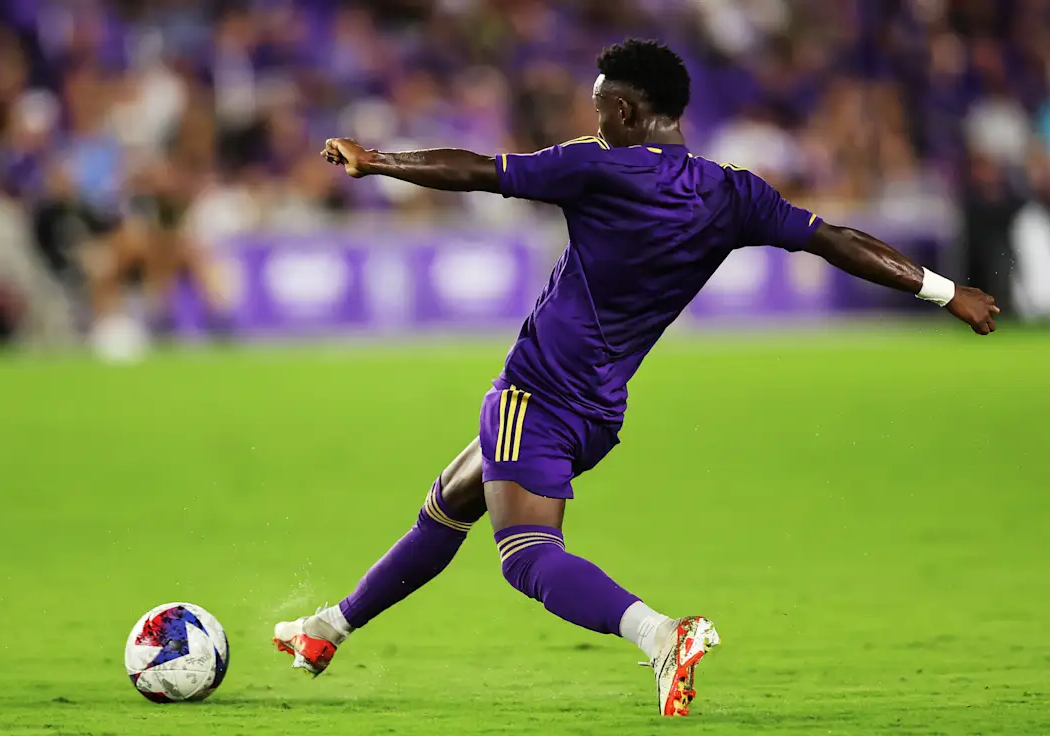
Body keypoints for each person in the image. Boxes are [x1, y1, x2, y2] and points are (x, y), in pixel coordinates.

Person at [272, 39, 1000, 718]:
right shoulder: (732, 194)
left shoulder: (598, 166)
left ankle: (660, 635)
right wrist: (944, 292)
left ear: (622, 110)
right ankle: (328, 629)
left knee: (526, 557)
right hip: (598, 411)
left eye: (599, 108)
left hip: (537, 392)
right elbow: (835, 239)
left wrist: (377, 160)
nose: (594, 121)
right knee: (449, 502)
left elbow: (481, 172)